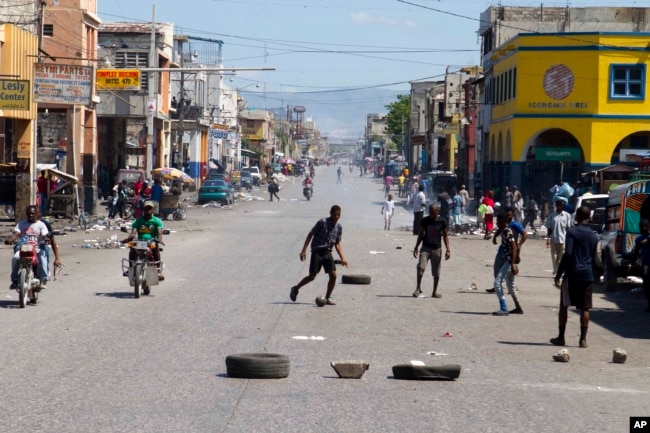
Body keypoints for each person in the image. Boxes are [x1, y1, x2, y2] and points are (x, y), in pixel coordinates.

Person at [551, 205, 598, 348]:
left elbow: (568, 253)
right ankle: (583, 340)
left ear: (577, 216)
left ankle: (561, 338)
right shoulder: (593, 235)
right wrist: (595, 275)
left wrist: (559, 273)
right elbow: (594, 256)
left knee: (564, 305)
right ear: (588, 217)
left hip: (572, 274)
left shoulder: (572, 232)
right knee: (585, 308)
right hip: (587, 274)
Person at [290, 205, 348, 305]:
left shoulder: (339, 227)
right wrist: (304, 250)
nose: (337, 217)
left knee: (333, 275)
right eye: (335, 215)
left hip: (328, 252)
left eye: (339, 215)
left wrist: (343, 257)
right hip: (317, 251)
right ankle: (295, 288)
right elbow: (311, 234)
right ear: (330, 213)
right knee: (312, 276)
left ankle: (328, 297)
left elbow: (337, 243)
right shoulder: (322, 222)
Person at [5, 206, 50, 299]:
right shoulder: (21, 224)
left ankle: (43, 279)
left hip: (36, 248)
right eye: (29, 213)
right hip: (24, 248)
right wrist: (10, 239)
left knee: (42, 258)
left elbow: (45, 235)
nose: (31, 215)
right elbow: (16, 234)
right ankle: (15, 280)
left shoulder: (41, 224)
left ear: (37, 214)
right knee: (15, 258)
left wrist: (46, 239)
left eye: (33, 213)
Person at [412, 204, 451, 298]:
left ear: (438, 212)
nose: (431, 215)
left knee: (436, 272)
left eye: (433, 213)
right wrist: (416, 247)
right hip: (425, 248)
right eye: (430, 212)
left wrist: (448, 249)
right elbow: (421, 234)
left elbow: (445, 235)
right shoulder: (425, 221)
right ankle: (418, 288)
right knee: (421, 267)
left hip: (437, 249)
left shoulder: (442, 221)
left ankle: (434, 291)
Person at [491, 213, 523, 315]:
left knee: (497, 283)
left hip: (509, 262)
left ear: (503, 222)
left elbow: (513, 247)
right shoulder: (508, 230)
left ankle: (503, 308)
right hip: (510, 261)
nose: (497, 223)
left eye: (498, 222)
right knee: (510, 285)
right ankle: (518, 307)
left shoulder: (506, 232)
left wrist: (513, 264)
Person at [125, 200, 165, 280]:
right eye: (146, 208)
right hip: (140, 241)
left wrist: (160, 240)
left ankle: (158, 271)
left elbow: (159, 233)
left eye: (150, 208)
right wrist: (129, 238)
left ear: (153, 210)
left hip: (152, 241)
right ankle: (131, 268)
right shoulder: (137, 221)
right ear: (143, 209)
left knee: (155, 248)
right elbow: (133, 232)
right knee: (130, 246)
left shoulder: (157, 221)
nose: (148, 210)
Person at [545, 199, 573, 275]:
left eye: (560, 205)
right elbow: (549, 228)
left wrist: (570, 239)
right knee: (554, 257)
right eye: (558, 205)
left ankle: (558, 271)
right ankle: (556, 270)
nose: (559, 207)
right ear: (556, 205)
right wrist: (548, 238)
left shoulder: (567, 216)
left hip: (563, 239)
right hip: (554, 239)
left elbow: (568, 228)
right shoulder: (552, 215)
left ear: (562, 206)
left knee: (560, 258)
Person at [631, 219, 650, 313]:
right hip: (645, 264)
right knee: (646, 285)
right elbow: (636, 252)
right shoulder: (639, 239)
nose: (643, 229)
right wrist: (633, 263)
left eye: (645, 227)